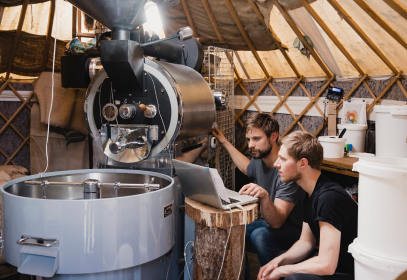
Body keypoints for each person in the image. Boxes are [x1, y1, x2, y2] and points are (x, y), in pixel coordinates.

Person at [212, 113, 303, 279]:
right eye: (248, 139)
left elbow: (277, 222)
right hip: (266, 220)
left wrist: (264, 196)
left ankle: (270, 277)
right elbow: (246, 168)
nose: (250, 145)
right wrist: (224, 142)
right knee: (234, 229)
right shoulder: (260, 158)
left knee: (259, 235)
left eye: (256, 139)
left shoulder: (287, 169)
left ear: (273, 136)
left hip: (293, 228)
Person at [259, 131, 358, 280]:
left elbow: (326, 265)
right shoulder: (309, 191)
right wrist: (277, 263)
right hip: (334, 265)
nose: (276, 164)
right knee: (279, 259)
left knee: (294, 277)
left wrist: (283, 271)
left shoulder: (328, 198)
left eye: (283, 159)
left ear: (303, 163)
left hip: (349, 272)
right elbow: (306, 242)